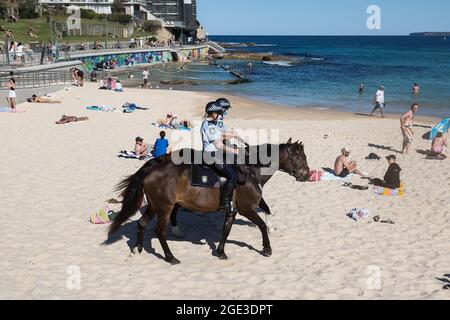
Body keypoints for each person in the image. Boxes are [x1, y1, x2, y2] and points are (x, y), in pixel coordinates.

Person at [201, 101, 241, 215]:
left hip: (214, 154)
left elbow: (221, 135)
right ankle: (224, 203)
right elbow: (218, 144)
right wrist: (233, 150)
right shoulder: (208, 125)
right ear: (212, 113)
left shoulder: (212, 124)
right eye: (217, 112)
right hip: (211, 156)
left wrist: (233, 135)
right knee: (232, 176)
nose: (219, 115)